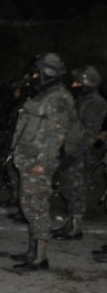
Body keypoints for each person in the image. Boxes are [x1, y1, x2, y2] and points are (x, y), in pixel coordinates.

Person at [9, 53, 74, 271]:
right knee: (28, 206)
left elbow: (57, 134)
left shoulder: (58, 98)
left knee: (37, 207)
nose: (34, 76)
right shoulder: (43, 95)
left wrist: (43, 162)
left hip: (38, 161)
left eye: (38, 72)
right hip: (27, 158)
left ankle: (40, 258)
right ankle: (32, 251)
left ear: (48, 72)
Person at [53, 65, 107, 240]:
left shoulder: (95, 103)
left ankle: (76, 227)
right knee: (68, 188)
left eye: (78, 82)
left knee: (77, 189)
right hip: (69, 148)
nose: (74, 85)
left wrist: (74, 154)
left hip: (79, 153)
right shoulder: (81, 99)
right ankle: (70, 223)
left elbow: (90, 133)